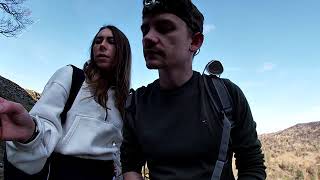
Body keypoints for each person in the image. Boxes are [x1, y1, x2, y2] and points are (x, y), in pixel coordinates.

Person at [120, 0, 267, 179]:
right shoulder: (136, 103)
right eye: (145, 30)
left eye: (164, 28)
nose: (148, 38)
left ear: (195, 41)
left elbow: (252, 165)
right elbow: (130, 165)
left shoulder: (225, 94)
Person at [0, 25, 132, 180]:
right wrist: (30, 133)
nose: (102, 45)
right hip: (65, 172)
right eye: (98, 41)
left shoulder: (123, 100)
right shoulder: (71, 77)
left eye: (111, 41)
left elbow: (118, 150)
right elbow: (44, 125)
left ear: (123, 52)